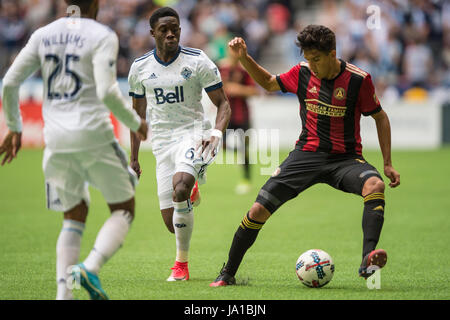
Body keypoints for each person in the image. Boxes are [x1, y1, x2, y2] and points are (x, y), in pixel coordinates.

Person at [210, 25, 401, 287]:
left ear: (332, 53)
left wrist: (387, 163)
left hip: (344, 159)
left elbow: (380, 117)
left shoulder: (359, 79)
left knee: (375, 185)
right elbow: (267, 83)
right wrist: (244, 57)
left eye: (317, 59)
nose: (311, 65)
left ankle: (367, 259)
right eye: (308, 58)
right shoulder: (301, 72)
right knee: (257, 210)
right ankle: (227, 273)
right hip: (306, 155)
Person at [0, 0, 148, 300]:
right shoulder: (102, 35)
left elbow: (10, 82)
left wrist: (14, 126)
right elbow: (107, 92)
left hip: (55, 140)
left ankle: (63, 296)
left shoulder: (44, 34)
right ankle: (90, 267)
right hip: (93, 134)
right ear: (96, 3)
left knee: (73, 216)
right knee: (124, 208)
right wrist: (135, 122)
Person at [128, 7, 231, 282]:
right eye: (164, 29)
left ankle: (181, 266)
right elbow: (136, 115)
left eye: (175, 28)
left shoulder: (197, 61)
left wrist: (217, 133)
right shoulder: (140, 68)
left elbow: (223, 103)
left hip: (193, 134)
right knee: (172, 223)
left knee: (181, 186)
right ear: (153, 33)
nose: (171, 33)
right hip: (162, 143)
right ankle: (190, 191)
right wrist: (134, 157)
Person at [218, 53, 259, 195]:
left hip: (243, 117)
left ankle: (246, 181)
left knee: (245, 150)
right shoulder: (221, 68)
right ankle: (236, 153)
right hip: (226, 116)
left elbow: (255, 91)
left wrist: (237, 89)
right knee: (219, 144)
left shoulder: (244, 71)